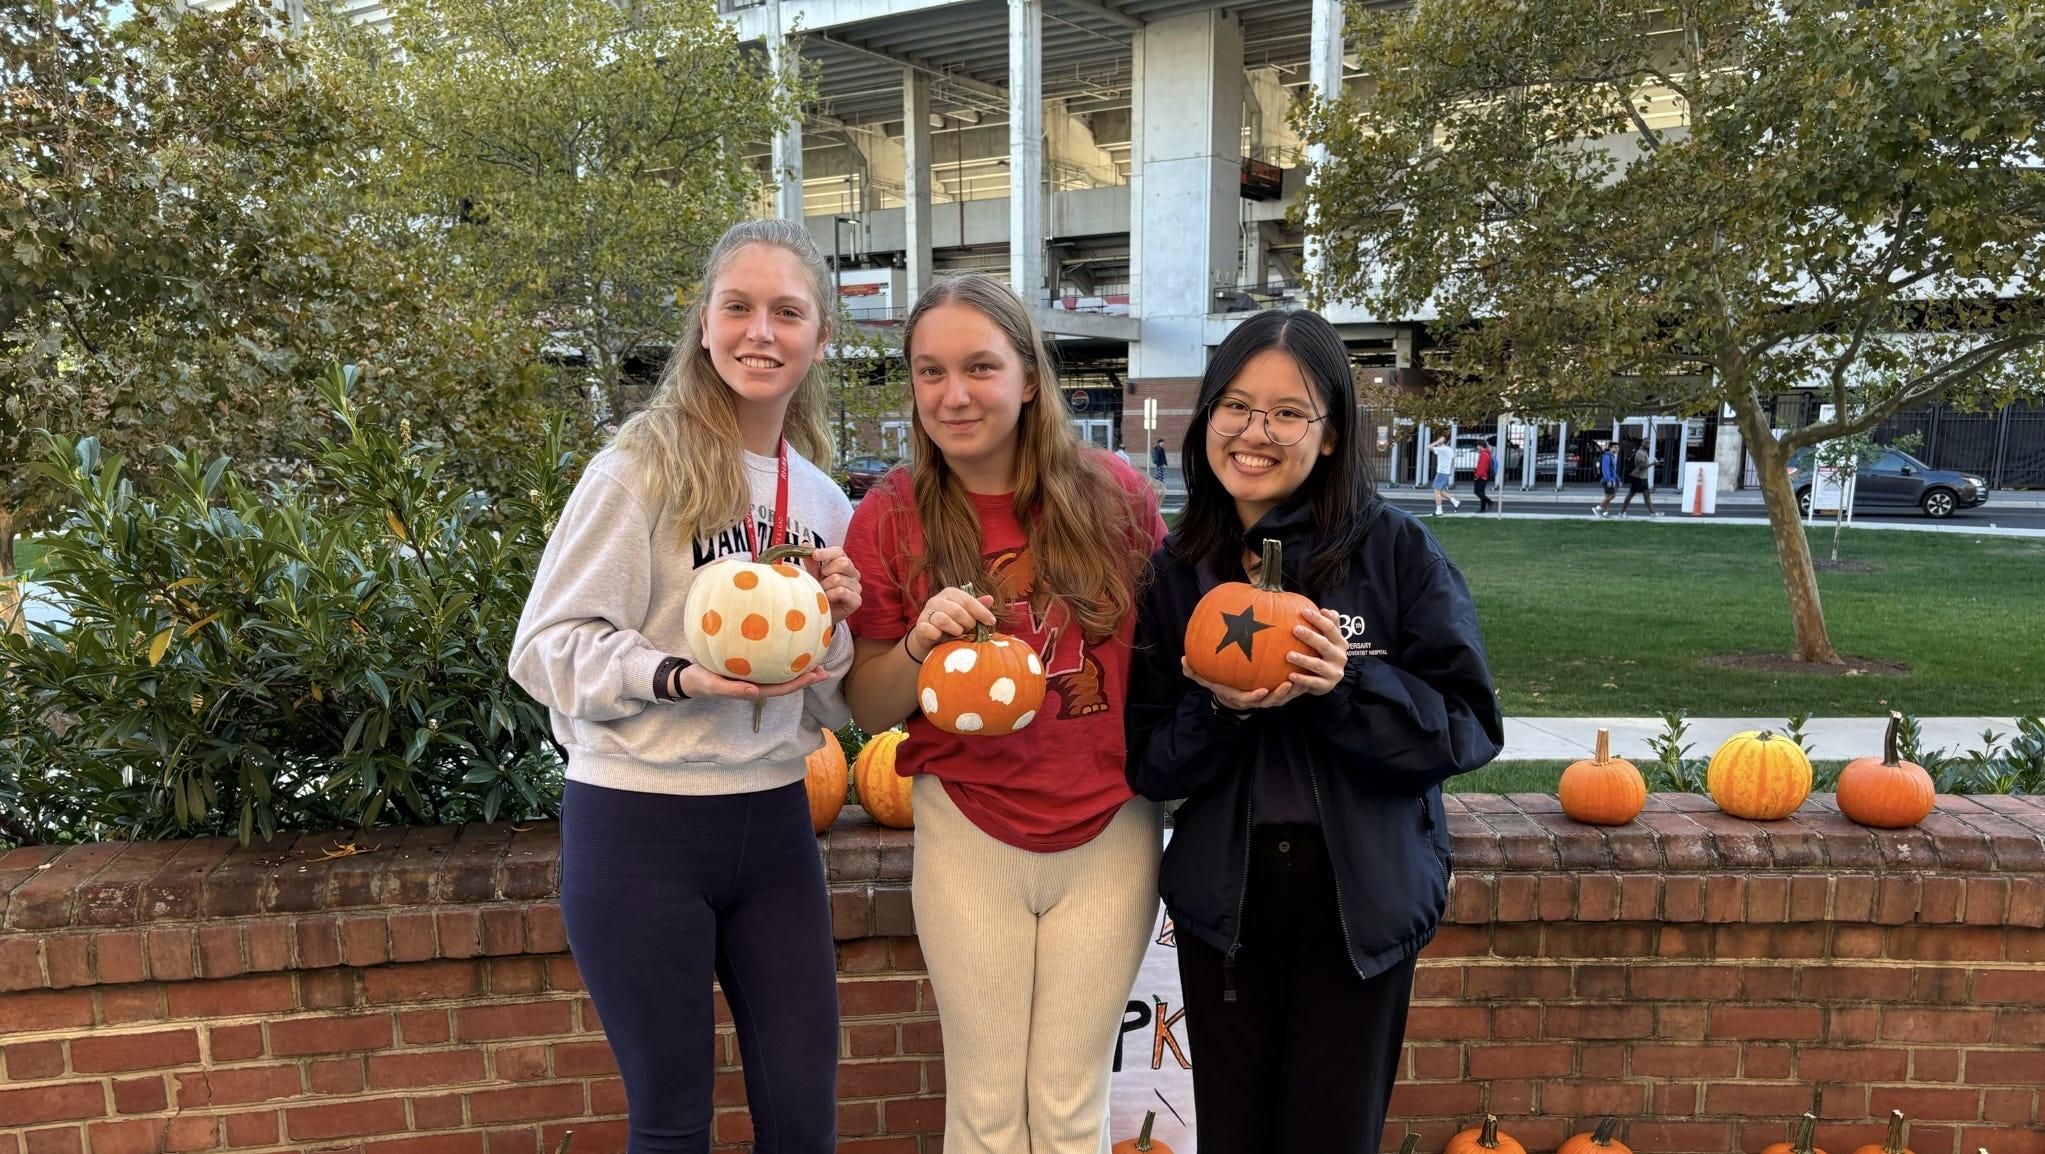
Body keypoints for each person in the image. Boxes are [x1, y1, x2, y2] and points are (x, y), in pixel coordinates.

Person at [508, 218, 864, 1154]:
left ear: (819, 338)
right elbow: (544, 648)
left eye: (787, 312)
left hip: (775, 825)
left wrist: (840, 627)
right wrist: (673, 675)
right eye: (738, 307)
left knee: (804, 1118)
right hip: (637, 826)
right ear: (702, 325)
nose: (761, 331)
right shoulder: (640, 467)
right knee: (671, 1125)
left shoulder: (823, 502)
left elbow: (828, 704)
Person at [1125, 309, 1503, 1153]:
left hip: (1357, 902)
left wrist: (1346, 684)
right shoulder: (1179, 570)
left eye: (1288, 412)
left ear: (1330, 435)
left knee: (1331, 1135)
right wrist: (1217, 711)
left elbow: (1468, 728)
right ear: (1207, 417)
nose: (1255, 432)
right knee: (1232, 1134)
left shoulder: (1397, 553)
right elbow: (1150, 764)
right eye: (1235, 405)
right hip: (1230, 902)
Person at [841, 274, 1166, 1154]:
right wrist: (916, 647)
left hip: (1111, 828)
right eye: (929, 371)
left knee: (1067, 1107)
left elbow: (1172, 661)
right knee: (984, 1111)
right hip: (968, 831)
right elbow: (868, 708)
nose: (953, 394)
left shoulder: (1116, 499)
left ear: (1028, 377)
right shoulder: (888, 516)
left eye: (979, 367)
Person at [1617, 435, 1663, 517]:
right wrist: (1653, 464)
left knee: (1646, 496)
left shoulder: (1644, 452)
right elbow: (1641, 467)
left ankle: (1652, 513)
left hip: (1642, 478)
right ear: (1641, 443)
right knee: (1631, 495)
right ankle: (1621, 512)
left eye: (1649, 443)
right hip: (1638, 478)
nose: (1648, 444)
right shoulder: (1640, 453)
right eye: (1646, 442)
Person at [1428, 433, 1460, 515]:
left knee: (1436, 490)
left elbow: (1429, 447)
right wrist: (1448, 469)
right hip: (1446, 472)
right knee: (1440, 491)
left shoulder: (1442, 449)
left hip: (1441, 472)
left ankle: (1439, 511)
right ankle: (1455, 501)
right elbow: (1453, 461)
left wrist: (1437, 441)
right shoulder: (1449, 449)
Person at [1592, 440, 1620, 517]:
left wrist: (1618, 480)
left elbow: (1613, 471)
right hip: (1607, 480)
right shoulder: (1607, 456)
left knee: (1608, 497)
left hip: (1611, 480)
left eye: (1618, 448)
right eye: (1615, 447)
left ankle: (1605, 513)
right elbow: (1605, 469)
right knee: (1613, 495)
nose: (1617, 449)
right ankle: (1598, 508)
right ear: (1610, 448)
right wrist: (1608, 480)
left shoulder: (1612, 457)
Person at [1473, 437, 1496, 513]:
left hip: (1481, 476)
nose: (1477, 447)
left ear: (1480, 446)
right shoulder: (1486, 453)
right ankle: (1482, 509)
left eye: (1477, 445)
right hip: (1484, 475)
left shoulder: (1483, 454)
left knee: (1477, 491)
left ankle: (1489, 502)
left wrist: (1478, 475)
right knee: (1482, 492)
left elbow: (1482, 466)